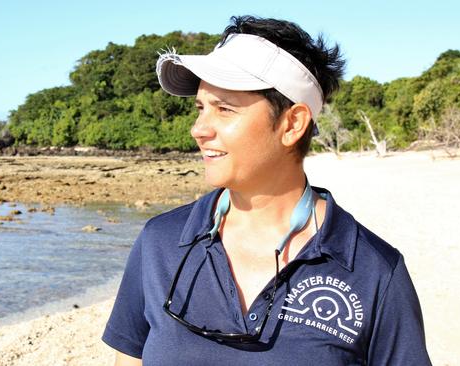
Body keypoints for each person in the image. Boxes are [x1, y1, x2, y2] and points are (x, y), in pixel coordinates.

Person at [102, 15, 431, 366]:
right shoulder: (161, 242)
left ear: (292, 124)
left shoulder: (373, 271)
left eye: (224, 109)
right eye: (200, 108)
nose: (199, 129)